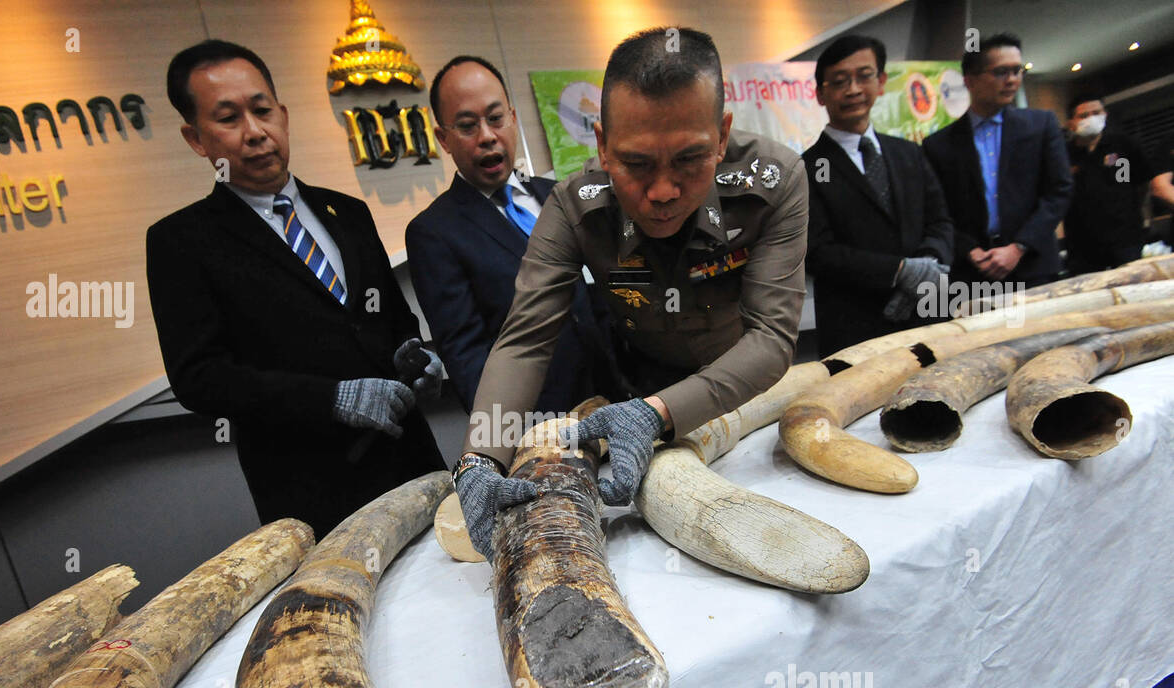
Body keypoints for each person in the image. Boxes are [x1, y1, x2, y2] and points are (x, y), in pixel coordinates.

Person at [454, 26, 808, 559]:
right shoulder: (575, 206)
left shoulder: (774, 180)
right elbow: (524, 341)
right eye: (636, 164)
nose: (662, 192)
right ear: (600, 143)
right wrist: (480, 458)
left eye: (689, 159)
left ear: (721, 135)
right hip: (636, 394)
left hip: (752, 398)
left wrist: (657, 414)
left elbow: (773, 338)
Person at [145, 40, 445, 537]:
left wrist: (416, 359)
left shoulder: (348, 212)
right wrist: (331, 398)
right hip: (313, 489)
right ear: (195, 138)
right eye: (228, 118)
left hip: (411, 457)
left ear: (283, 115)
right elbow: (199, 377)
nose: (255, 132)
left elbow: (392, 320)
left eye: (262, 111)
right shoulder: (183, 241)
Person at [406, 55, 608, 414]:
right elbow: (466, 356)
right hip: (543, 427)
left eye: (496, 119)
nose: (487, 137)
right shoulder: (434, 233)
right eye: (467, 126)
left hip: (615, 399)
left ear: (513, 119)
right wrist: (510, 444)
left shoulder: (557, 195)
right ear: (443, 138)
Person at [802, 34, 954, 357]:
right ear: (820, 94)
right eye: (840, 81)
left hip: (929, 315)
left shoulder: (909, 152)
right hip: (857, 329)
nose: (854, 89)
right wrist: (899, 272)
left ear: (882, 82)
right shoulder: (807, 167)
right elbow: (817, 252)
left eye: (864, 76)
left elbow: (940, 220)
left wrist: (924, 268)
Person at [923, 32, 1072, 288]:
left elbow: (1059, 191)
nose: (1012, 80)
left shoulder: (1041, 125)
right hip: (972, 273)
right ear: (970, 81)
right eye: (1001, 72)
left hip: (1034, 266)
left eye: (1018, 71)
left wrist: (1018, 247)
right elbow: (937, 211)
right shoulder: (939, 145)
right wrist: (969, 250)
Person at [1062, 96, 1156, 274]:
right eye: (1084, 115)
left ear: (1105, 114)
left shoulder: (1123, 145)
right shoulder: (1063, 154)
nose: (1091, 118)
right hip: (1082, 243)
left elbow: (1141, 183)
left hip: (1124, 236)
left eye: (1096, 113)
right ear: (1071, 123)